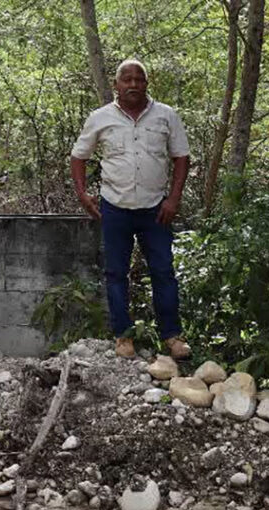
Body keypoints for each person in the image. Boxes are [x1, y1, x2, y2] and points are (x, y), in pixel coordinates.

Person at [70, 58, 192, 360]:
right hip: (115, 208)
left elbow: (181, 158)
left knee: (163, 271)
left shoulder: (166, 116)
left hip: (156, 210)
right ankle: (123, 336)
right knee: (115, 273)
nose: (133, 84)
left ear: (147, 84)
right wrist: (83, 194)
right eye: (127, 79)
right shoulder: (100, 118)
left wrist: (173, 199)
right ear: (116, 84)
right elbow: (78, 156)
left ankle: (172, 336)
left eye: (139, 79)